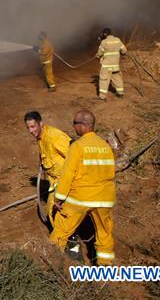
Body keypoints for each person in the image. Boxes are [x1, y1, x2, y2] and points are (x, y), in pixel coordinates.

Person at [50, 110, 116, 265]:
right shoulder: (106, 147)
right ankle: (106, 268)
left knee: (61, 231)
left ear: (83, 125)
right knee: (104, 234)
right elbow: (110, 173)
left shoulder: (77, 146)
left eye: (75, 123)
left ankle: (51, 265)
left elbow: (67, 175)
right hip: (104, 199)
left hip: (80, 198)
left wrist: (58, 198)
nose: (73, 127)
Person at [95, 28, 127, 100]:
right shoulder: (118, 40)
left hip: (106, 66)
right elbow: (124, 50)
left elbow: (100, 53)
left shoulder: (104, 42)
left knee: (104, 79)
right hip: (115, 65)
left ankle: (102, 97)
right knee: (117, 78)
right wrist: (122, 53)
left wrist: (97, 56)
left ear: (105, 34)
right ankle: (120, 93)